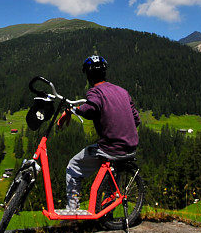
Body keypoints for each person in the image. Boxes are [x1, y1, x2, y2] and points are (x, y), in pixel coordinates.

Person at [57, 55, 141, 211]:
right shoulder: (123, 91)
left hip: (110, 148)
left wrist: (72, 110)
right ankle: (106, 214)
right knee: (111, 179)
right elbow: (137, 119)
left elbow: (91, 109)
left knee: (73, 167)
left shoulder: (95, 91)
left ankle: (72, 211)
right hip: (130, 147)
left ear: (88, 75)